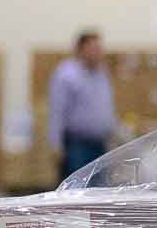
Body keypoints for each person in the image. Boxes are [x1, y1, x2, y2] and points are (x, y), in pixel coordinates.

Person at [48, 29, 115, 180]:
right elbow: (57, 111)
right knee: (78, 190)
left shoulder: (101, 73)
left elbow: (106, 105)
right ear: (80, 50)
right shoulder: (67, 75)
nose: (98, 52)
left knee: (97, 191)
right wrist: (55, 144)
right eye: (93, 48)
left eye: (100, 48)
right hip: (77, 145)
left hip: (100, 144)